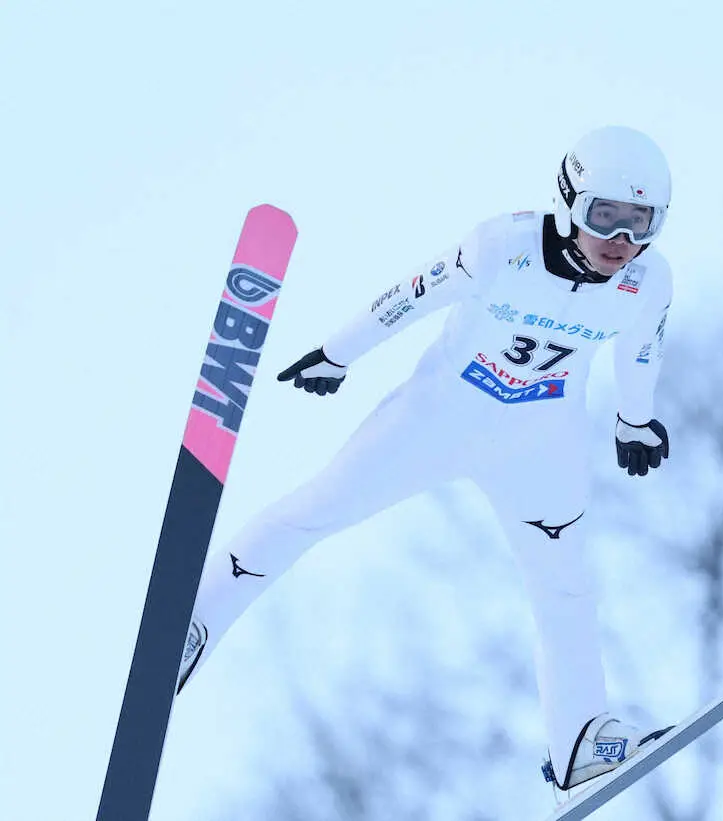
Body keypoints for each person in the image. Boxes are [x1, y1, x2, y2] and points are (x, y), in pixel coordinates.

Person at [176, 125, 676, 791]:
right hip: (438, 420)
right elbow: (411, 295)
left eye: (640, 224)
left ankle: (580, 736)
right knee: (316, 510)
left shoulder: (646, 281)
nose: (621, 240)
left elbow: (641, 351)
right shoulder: (502, 247)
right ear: (567, 201)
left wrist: (634, 421)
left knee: (567, 586)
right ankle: (195, 622)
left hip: (540, 443)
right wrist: (338, 353)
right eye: (604, 216)